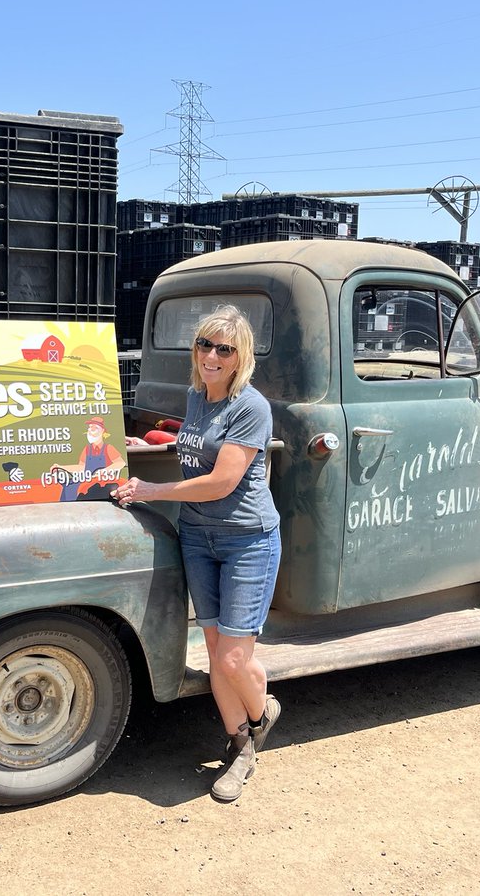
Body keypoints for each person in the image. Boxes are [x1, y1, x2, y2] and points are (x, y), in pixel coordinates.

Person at [112, 305, 281, 802]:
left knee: (232, 657)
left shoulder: (250, 407)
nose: (211, 355)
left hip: (246, 538)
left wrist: (149, 491)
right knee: (212, 654)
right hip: (199, 538)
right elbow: (195, 450)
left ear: (239, 356)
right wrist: (140, 442)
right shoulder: (197, 396)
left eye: (223, 349)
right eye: (205, 345)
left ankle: (263, 709)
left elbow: (222, 481)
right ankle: (242, 748)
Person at [50, 416, 127, 501]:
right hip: (87, 481)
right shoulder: (87, 449)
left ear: (102, 431)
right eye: (90, 427)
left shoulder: (108, 448)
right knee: (69, 486)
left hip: (102, 484)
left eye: (95, 428)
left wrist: (104, 471)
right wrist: (61, 467)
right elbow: (81, 468)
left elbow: (120, 463)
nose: (91, 430)